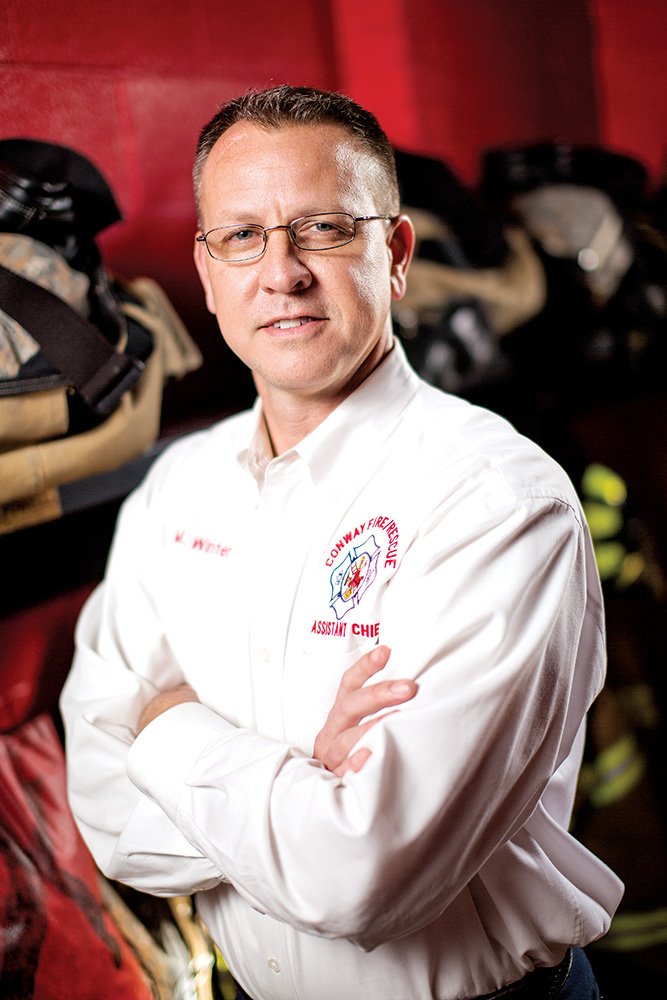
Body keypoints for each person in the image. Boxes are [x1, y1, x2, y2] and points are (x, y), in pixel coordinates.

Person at [60, 85, 623, 1000]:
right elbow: (105, 816)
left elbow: (362, 875)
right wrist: (298, 776)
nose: (279, 272)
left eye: (322, 228)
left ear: (393, 254)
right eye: (241, 236)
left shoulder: (498, 503)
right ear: (206, 275)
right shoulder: (177, 488)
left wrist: (167, 729)